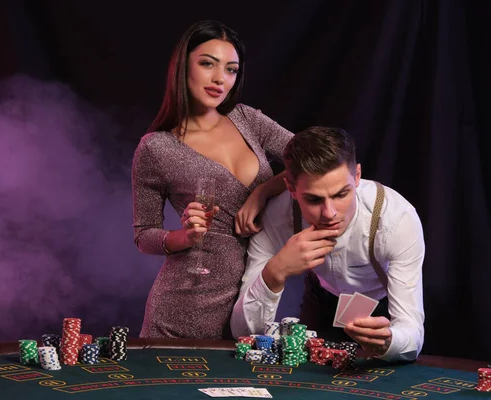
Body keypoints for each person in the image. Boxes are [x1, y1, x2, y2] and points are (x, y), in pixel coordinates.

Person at [132, 20, 293, 339]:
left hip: (251, 302)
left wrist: (262, 191)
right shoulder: (155, 147)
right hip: (183, 307)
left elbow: (317, 162)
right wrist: (184, 237)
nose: (220, 79)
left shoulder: (248, 119)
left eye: (231, 70)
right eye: (208, 64)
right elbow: (144, 234)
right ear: (183, 67)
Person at [230, 126, 425, 362]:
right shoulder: (276, 217)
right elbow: (242, 333)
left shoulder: (396, 219)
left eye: (341, 194)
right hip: (321, 299)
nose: (329, 213)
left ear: (357, 176)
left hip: (381, 309)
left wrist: (390, 340)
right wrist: (275, 272)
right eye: (313, 199)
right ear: (291, 188)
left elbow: (412, 335)